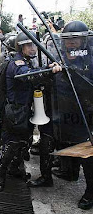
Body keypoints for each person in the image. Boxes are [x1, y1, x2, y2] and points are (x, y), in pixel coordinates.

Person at [0, 31, 62, 191]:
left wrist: (47, 68)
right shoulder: (17, 63)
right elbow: (27, 76)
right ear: (21, 47)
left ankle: (14, 169)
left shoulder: (26, 61)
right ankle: (0, 177)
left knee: (24, 144)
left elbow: (33, 73)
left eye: (34, 45)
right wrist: (48, 71)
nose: (34, 48)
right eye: (30, 45)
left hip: (25, 111)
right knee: (11, 146)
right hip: (15, 112)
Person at [50, 21, 93, 210]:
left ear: (83, 40)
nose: (71, 43)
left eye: (75, 39)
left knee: (88, 154)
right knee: (71, 144)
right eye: (68, 39)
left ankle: (91, 193)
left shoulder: (90, 61)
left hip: (89, 112)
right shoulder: (64, 58)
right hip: (70, 111)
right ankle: (70, 172)